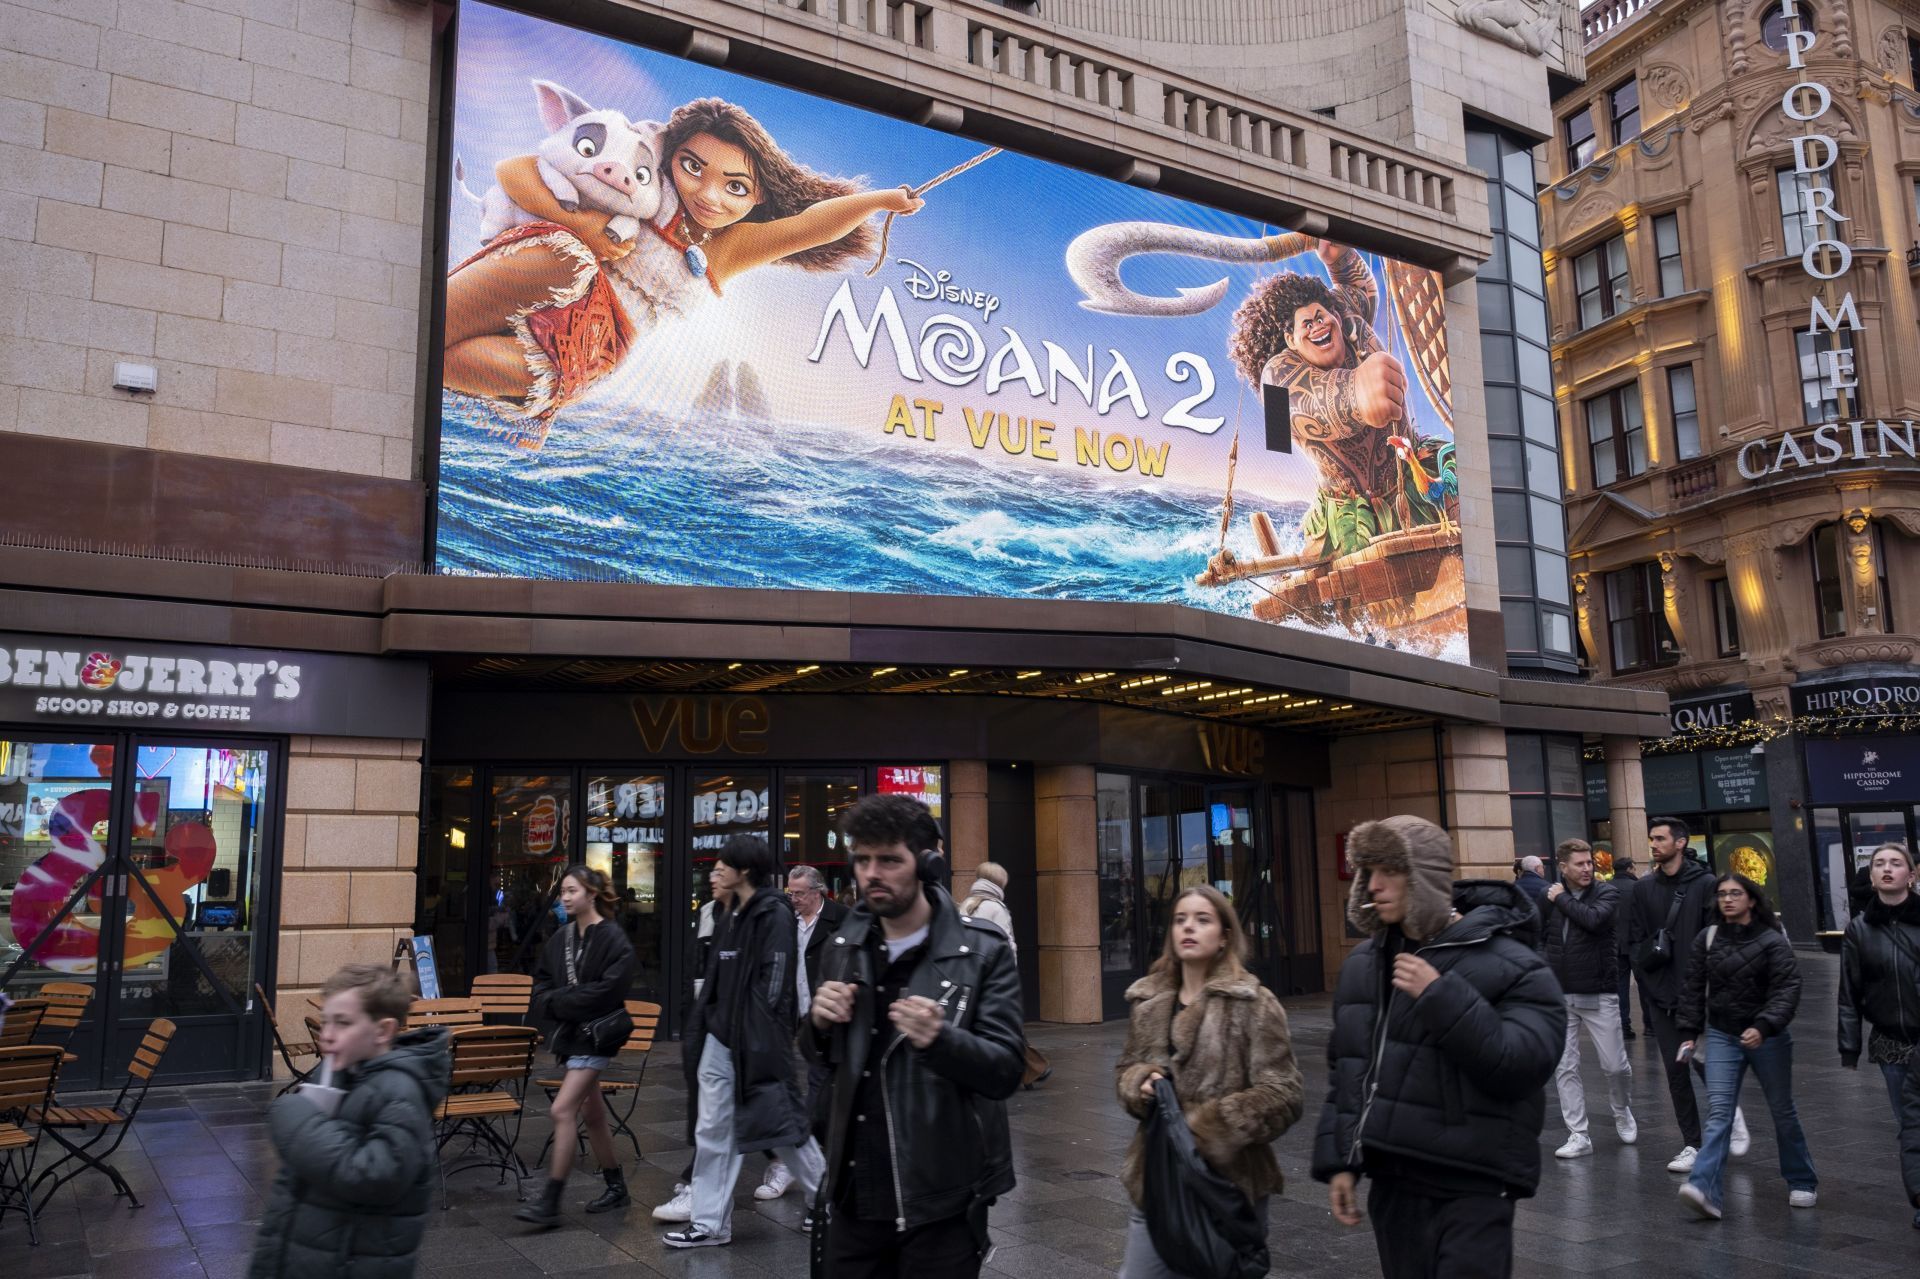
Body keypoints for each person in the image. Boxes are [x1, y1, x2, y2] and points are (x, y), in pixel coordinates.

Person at [1313, 815, 1565, 1279]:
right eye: (1368, 872)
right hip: (1394, 1182)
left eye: (1389, 871)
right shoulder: (1363, 964)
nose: (1373, 885)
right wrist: (1340, 1161)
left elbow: (1523, 1064)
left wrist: (1440, 996)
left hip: (1474, 1185)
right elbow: (1348, 1069)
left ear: (1423, 877)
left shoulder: (1514, 962)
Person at [809, 794, 1025, 1277]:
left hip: (939, 1201)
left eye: (889, 859)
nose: (871, 873)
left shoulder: (982, 953)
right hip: (852, 1192)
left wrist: (940, 1039)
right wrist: (817, 1025)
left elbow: (1007, 1069)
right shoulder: (842, 946)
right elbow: (820, 1058)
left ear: (928, 864)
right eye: (862, 859)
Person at [1114, 886, 1304, 1276]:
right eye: (1181, 919)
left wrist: (1211, 1130)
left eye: (1203, 920)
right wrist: (1139, 1083)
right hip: (1156, 1179)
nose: (1189, 928)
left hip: (1229, 1186)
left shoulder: (1253, 1002)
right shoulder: (1148, 1001)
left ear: (1224, 937)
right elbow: (1126, 1071)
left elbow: (1284, 1092)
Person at [665, 835, 824, 1248]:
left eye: (724, 865)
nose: (716, 871)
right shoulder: (728, 912)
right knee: (713, 1130)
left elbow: (773, 984)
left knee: (784, 1129)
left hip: (755, 1044)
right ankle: (709, 1222)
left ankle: (829, 1202)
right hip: (722, 1038)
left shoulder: (772, 913)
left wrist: (750, 1035)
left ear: (745, 870)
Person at [249, 964, 449, 1278]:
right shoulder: (339, 1073)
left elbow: (375, 1176)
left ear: (383, 1031)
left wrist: (296, 1118)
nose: (326, 1035)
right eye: (325, 1021)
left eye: (342, 1023)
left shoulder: (400, 1091)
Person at [1674, 873, 1817, 1219]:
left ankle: (1802, 1180)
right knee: (1720, 1112)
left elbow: (1787, 988)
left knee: (1782, 1111)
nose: (1727, 899)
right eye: (1722, 894)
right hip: (1723, 1034)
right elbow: (1693, 987)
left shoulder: (1771, 940)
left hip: (1767, 1037)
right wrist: (1690, 1031)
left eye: (1735, 893)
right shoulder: (1707, 939)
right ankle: (1703, 1186)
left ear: (1751, 900)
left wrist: (1764, 1025)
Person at [1624, 816, 1747, 1174]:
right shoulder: (1643, 889)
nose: (1654, 844)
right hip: (1660, 995)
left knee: (1704, 1063)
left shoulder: (1706, 883)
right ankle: (1692, 1143)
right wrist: (1647, 986)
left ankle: (1731, 1116)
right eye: (1651, 838)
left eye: (1660, 838)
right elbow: (1634, 941)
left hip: (1700, 994)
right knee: (1675, 1071)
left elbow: (1721, 937)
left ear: (1680, 843)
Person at [519, 865, 636, 1227]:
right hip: (573, 1039)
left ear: (591, 894)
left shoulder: (613, 939)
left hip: (595, 1040)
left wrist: (561, 1000)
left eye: (572, 891)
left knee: (561, 1110)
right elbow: (540, 989)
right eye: (563, 891)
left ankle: (551, 1201)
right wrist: (564, 999)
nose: (565, 897)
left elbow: (608, 992)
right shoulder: (560, 939)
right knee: (593, 1114)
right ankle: (617, 1187)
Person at [755, 864, 848, 1204]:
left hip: (825, 1022)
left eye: (799, 893)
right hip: (788, 1016)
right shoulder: (784, 921)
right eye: (789, 893)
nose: (792, 898)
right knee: (782, 1089)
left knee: (818, 1090)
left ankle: (794, 1163)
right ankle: (799, 1161)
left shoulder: (841, 919)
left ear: (817, 892)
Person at [1540, 838, 1635, 1158]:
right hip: (1560, 992)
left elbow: (1594, 920)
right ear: (1562, 866)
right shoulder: (1549, 897)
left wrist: (1561, 899)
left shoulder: (1606, 892)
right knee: (1565, 1067)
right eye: (1579, 864)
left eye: (1589, 863)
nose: (1586, 868)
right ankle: (1578, 1134)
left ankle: (1621, 1109)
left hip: (1598, 990)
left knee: (1615, 1066)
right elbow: (1540, 935)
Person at [1838, 842, 1920, 1116]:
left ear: (1911, 876)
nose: (1887, 868)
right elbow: (1849, 991)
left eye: (1896, 863)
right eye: (1879, 864)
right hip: (1891, 1041)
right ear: (1871, 878)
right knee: (1908, 1124)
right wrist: (1850, 1048)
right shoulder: (1859, 929)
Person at [1612, 854, 1639, 1040]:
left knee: (1621, 986)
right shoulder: (1638, 887)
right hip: (1637, 943)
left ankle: (1624, 1024)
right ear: (1629, 869)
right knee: (1644, 986)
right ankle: (1651, 1026)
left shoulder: (1605, 888)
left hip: (1615, 944)